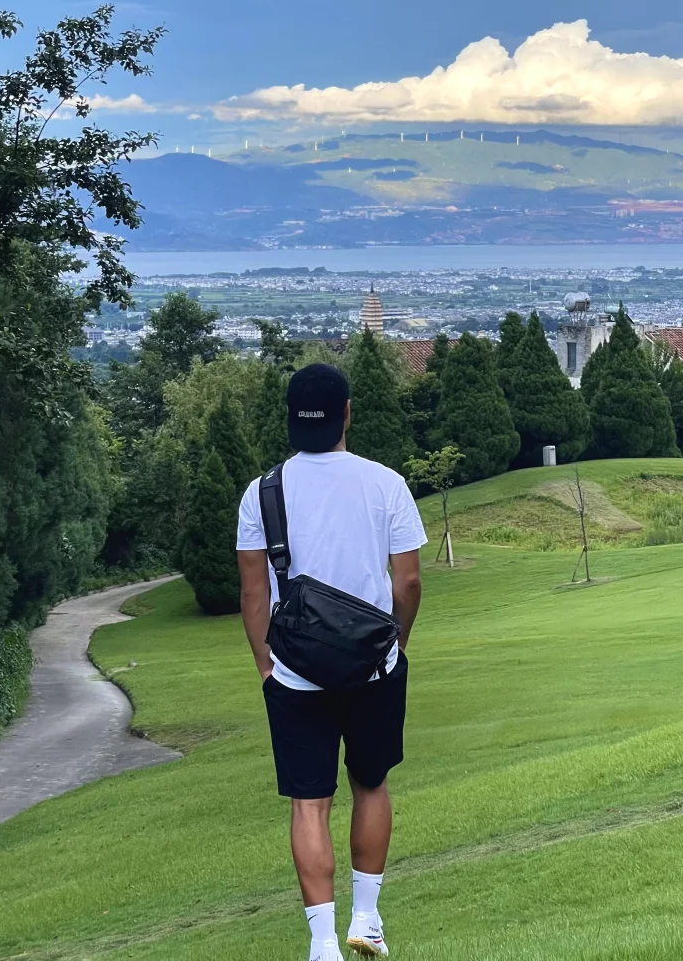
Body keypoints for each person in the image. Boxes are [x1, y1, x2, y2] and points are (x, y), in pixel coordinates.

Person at [237, 362, 427, 961]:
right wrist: (396, 641)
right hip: (373, 665)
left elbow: (253, 593)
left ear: (291, 419)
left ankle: (322, 944)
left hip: (295, 673)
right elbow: (410, 581)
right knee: (371, 785)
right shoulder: (386, 484)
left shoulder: (262, 491)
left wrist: (268, 664)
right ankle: (366, 920)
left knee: (309, 804)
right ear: (347, 413)